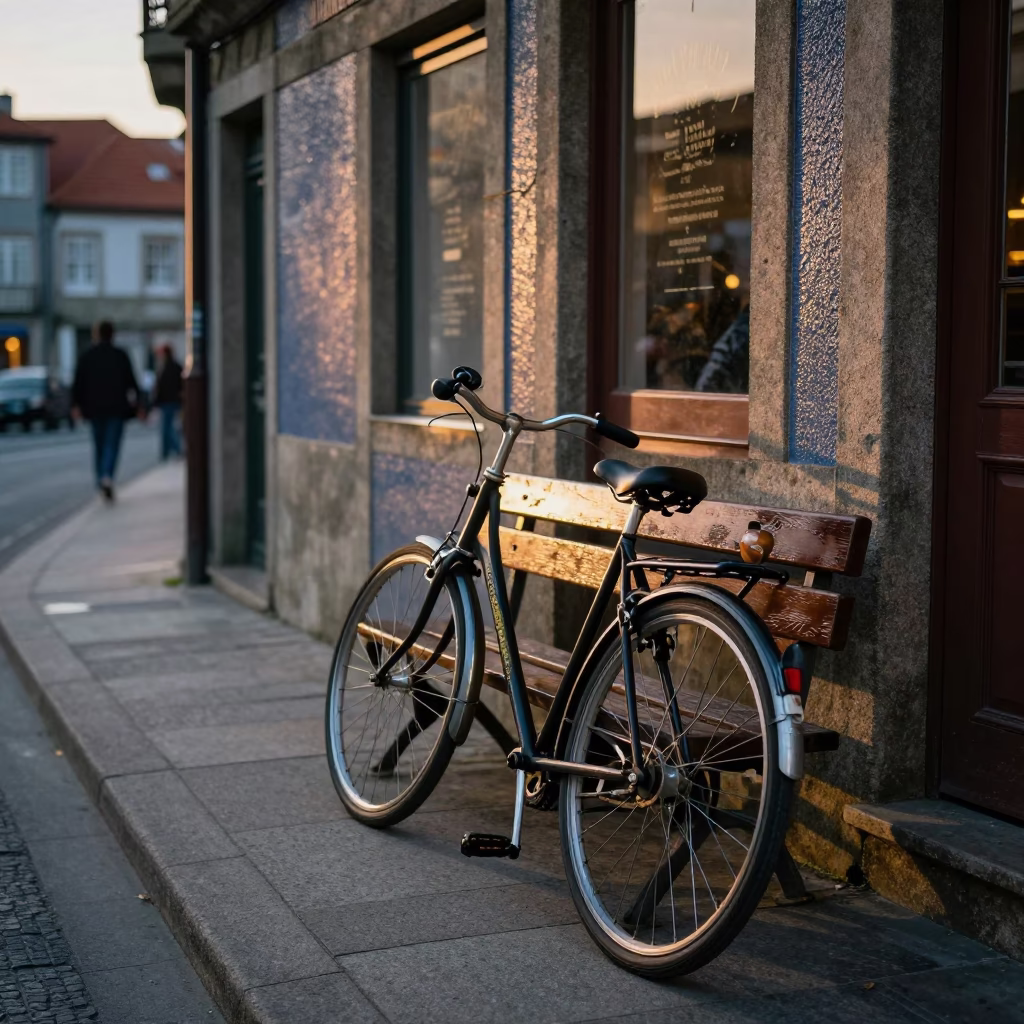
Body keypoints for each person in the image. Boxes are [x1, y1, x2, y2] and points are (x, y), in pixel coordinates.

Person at [72, 321, 140, 502]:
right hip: (116, 408)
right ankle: (107, 475)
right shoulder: (120, 355)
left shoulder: (87, 356)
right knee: (112, 445)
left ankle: (101, 478)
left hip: (94, 408)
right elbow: (132, 382)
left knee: (99, 445)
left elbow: (78, 382)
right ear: (112, 334)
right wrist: (140, 404)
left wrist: (76, 405)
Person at [152, 344, 183, 460]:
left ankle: (173, 450)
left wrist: (155, 402)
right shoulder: (175, 367)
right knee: (169, 427)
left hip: (167, 401)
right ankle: (168, 451)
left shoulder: (164, 368)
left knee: (167, 428)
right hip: (173, 401)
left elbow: (159, 387)